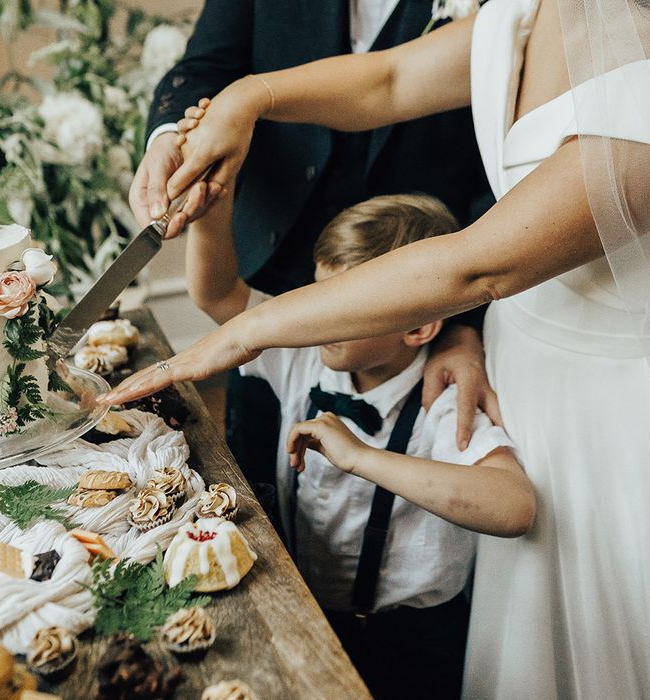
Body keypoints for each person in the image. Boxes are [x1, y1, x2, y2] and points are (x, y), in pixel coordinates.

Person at [105, 0, 650, 696]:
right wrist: (249, 98)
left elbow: (480, 265)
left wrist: (249, 328)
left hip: (620, 427)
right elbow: (385, 81)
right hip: (514, 375)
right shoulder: (535, 11)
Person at [130, 0, 497, 497]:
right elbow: (207, 64)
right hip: (274, 267)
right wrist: (181, 151)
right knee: (254, 483)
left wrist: (463, 317)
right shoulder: (290, 354)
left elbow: (496, 160)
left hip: (427, 287)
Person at [185, 187, 535, 699]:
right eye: (319, 296)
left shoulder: (443, 398)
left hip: (412, 643)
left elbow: (515, 505)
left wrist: (365, 458)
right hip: (307, 609)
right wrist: (211, 210)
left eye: (346, 305)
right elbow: (216, 294)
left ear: (418, 326)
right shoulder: (304, 356)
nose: (320, 316)